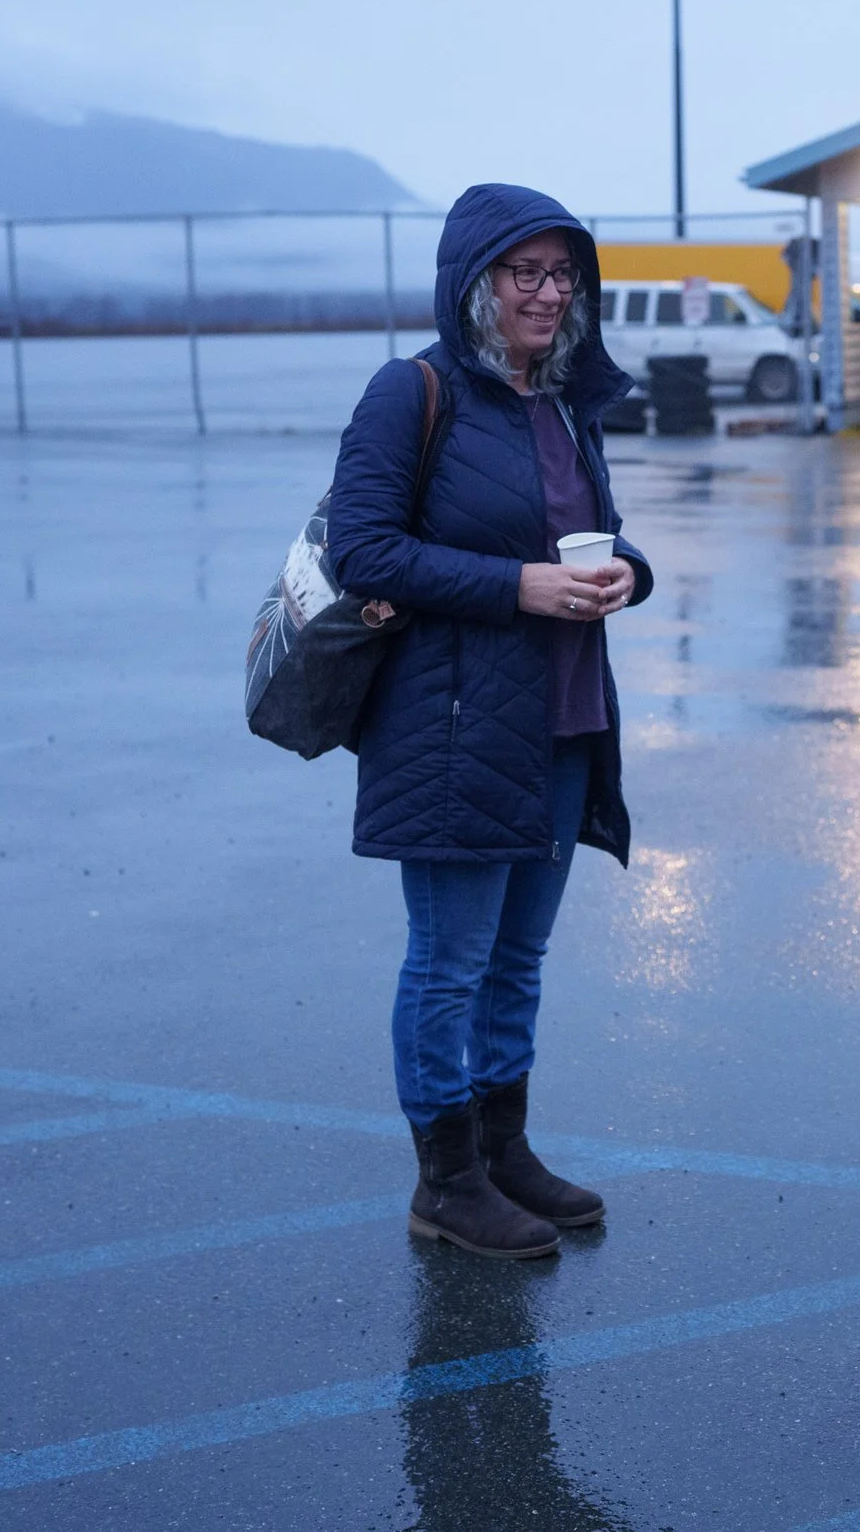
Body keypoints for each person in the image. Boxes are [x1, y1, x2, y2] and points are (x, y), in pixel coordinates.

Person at [326, 184, 649, 1260]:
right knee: (450, 961)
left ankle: (504, 1151)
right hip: (455, 723)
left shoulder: (563, 400)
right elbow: (362, 552)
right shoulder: (411, 392)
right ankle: (446, 1180)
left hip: (562, 721)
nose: (550, 294)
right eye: (527, 274)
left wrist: (624, 577)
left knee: (519, 958)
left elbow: (604, 537)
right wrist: (519, 588)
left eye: (565, 276)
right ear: (475, 283)